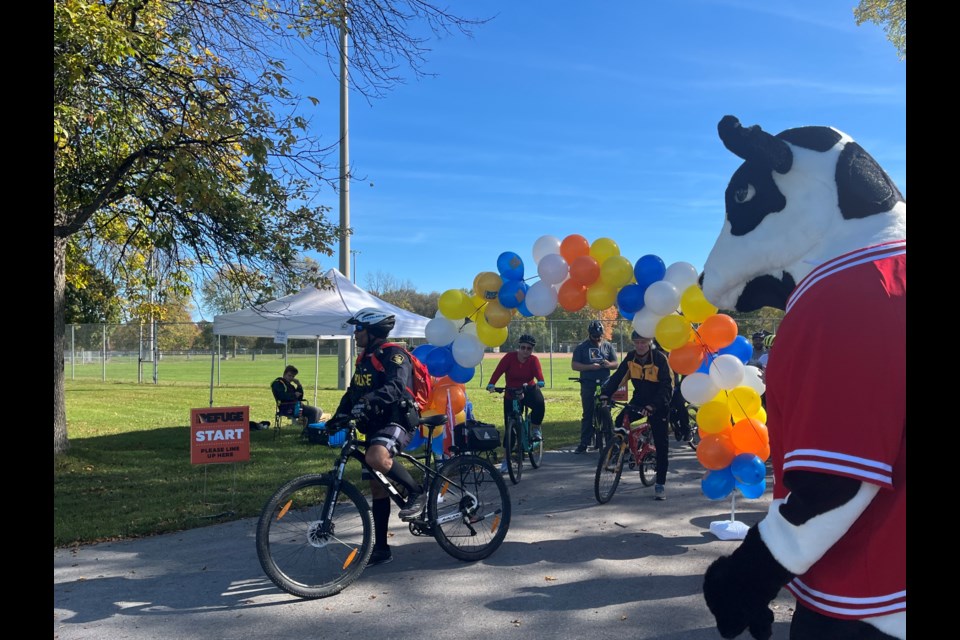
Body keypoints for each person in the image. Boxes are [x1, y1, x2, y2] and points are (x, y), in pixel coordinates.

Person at [331, 307, 426, 567]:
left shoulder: (394, 354)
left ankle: (417, 492)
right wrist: (337, 418)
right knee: (377, 487)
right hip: (374, 424)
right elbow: (352, 392)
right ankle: (382, 549)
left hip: (397, 420)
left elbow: (396, 387)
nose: (355, 333)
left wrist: (369, 401)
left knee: (376, 456)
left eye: (358, 328)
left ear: (372, 331)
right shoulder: (365, 358)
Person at [600, 331, 674, 500]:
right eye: (637, 342)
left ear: (649, 342)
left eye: (643, 342)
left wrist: (653, 406)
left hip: (659, 404)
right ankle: (621, 448)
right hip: (639, 400)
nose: (640, 345)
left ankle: (660, 484)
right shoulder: (631, 358)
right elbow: (618, 377)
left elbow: (667, 388)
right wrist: (606, 393)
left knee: (662, 444)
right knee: (620, 420)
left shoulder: (660, 359)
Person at [485, 334, 546, 444]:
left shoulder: (533, 360)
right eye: (523, 347)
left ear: (532, 350)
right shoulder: (509, 357)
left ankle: (535, 428)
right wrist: (491, 384)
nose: (525, 351)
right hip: (511, 392)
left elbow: (539, 374)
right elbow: (498, 371)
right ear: (519, 347)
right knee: (509, 424)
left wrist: (541, 381)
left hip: (528, 389)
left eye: (529, 348)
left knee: (539, 403)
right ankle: (508, 454)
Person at [570, 319, 618, 454]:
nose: (597, 339)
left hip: (605, 383)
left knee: (606, 411)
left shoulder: (607, 346)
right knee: (588, 413)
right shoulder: (582, 347)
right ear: (589, 334)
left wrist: (608, 364)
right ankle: (584, 443)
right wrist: (590, 367)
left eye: (599, 336)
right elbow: (575, 365)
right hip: (588, 383)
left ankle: (611, 442)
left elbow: (616, 364)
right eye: (594, 336)